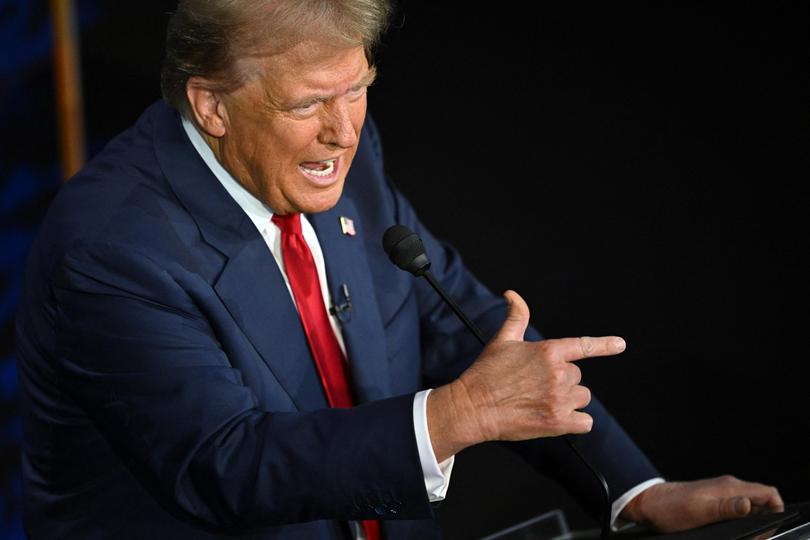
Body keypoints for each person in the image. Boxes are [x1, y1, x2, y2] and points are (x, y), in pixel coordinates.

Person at [15, 1, 784, 538]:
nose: (343, 132)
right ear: (211, 104)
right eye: (310, 102)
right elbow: (229, 467)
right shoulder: (111, 249)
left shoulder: (343, 160)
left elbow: (458, 326)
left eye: (359, 89)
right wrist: (456, 417)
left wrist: (637, 492)